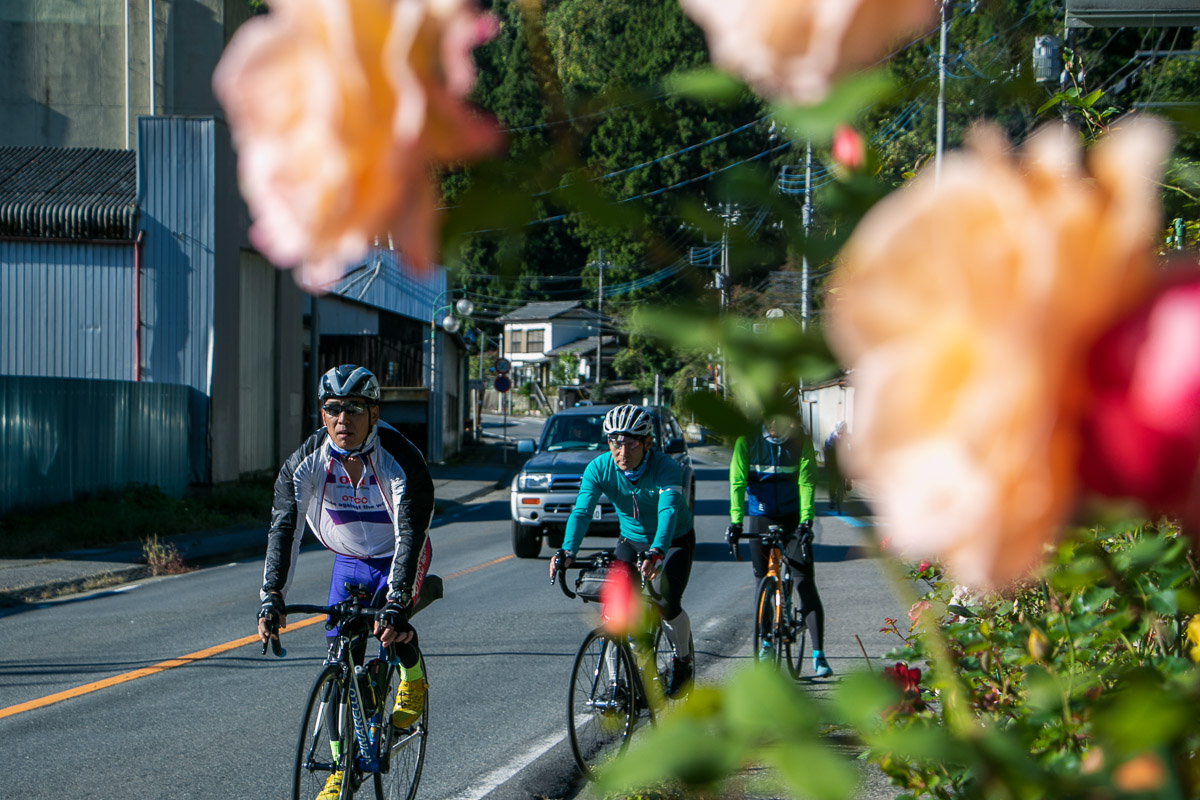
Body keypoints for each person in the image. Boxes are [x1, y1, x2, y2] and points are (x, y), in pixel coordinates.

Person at [256, 365, 435, 800]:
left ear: (374, 413)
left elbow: (410, 535)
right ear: (322, 415)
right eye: (334, 409)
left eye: (354, 409)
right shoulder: (305, 462)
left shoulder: (401, 458)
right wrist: (272, 596)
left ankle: (411, 676)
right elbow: (285, 528)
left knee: (391, 624)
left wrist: (396, 601)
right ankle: (341, 767)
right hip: (350, 558)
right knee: (338, 657)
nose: (343, 420)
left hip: (399, 553)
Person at [549, 404, 697, 697]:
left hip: (673, 540)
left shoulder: (666, 468)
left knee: (666, 601)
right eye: (615, 442)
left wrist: (658, 551)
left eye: (631, 443)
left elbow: (668, 512)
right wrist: (566, 551)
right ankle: (617, 683)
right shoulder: (600, 468)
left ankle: (683, 661)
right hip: (630, 540)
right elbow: (582, 512)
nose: (622, 451)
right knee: (614, 609)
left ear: (647, 443)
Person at [727, 414, 833, 678]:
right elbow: (738, 482)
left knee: (803, 581)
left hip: (794, 517)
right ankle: (765, 643)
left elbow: (807, 482)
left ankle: (818, 655)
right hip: (761, 516)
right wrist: (736, 522)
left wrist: (806, 522)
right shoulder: (747, 441)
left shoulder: (800, 442)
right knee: (762, 580)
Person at [824, 421, 849, 514]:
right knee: (832, 482)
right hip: (832, 462)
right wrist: (828, 463)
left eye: (843, 433)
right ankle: (831, 499)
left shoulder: (847, 438)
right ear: (837, 432)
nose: (841, 435)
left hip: (842, 462)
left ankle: (842, 491)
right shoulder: (830, 439)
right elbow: (827, 453)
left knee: (843, 476)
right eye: (840, 433)